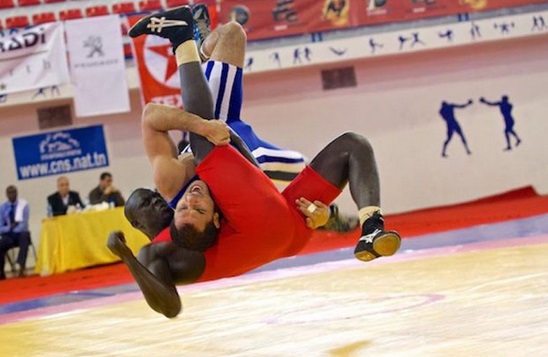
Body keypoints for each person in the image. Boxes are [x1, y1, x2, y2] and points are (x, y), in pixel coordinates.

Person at [108, 5, 400, 318]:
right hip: (264, 188)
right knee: (204, 135)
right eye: (152, 205)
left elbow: (158, 118)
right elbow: (169, 305)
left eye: (160, 202)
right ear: (216, 220)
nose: (185, 201)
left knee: (232, 35)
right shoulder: (172, 214)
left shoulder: (182, 211)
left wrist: (321, 214)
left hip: (284, 220)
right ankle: (182, 39)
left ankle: (372, 228)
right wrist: (127, 256)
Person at [0, 185, 31, 279]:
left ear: (17, 193)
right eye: (9, 193)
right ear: (6, 195)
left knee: (24, 237)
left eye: (14, 192)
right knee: (1, 244)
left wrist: (14, 229)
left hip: (20, 233)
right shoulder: (2, 208)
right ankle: (1, 271)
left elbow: (24, 224)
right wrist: (9, 228)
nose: (12, 194)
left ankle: (21, 267)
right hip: (8, 235)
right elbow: (0, 227)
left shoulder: (23, 205)